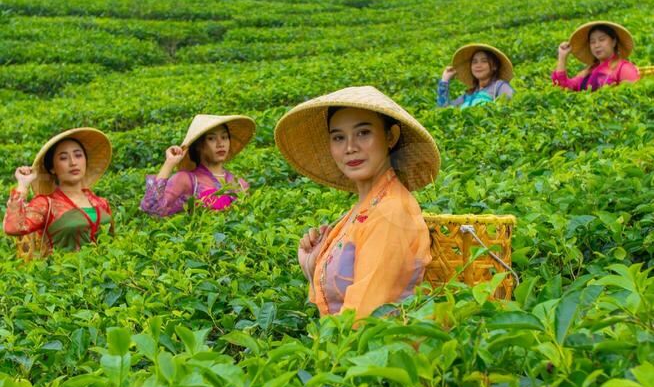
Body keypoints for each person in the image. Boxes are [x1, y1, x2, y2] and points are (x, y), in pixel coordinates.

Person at [275, 86, 439, 321]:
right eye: (339, 137)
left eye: (363, 133)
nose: (350, 147)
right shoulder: (364, 207)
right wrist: (312, 267)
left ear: (391, 136)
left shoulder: (390, 211)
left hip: (379, 353)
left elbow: (363, 317)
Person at [3, 127, 113, 256]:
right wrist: (22, 184)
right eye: (63, 158)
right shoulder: (46, 204)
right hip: (65, 273)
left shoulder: (101, 203)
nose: (73, 163)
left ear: (85, 161)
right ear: (52, 168)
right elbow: (13, 227)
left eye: (78, 155)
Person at [141, 113, 254, 218]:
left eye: (224, 137)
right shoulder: (186, 180)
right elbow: (152, 209)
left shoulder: (240, 184)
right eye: (211, 138)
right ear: (199, 145)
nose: (220, 144)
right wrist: (169, 163)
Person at [552, 21, 640, 92]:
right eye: (592, 42)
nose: (596, 45)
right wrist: (562, 57)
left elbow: (633, 95)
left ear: (614, 42)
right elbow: (564, 88)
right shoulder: (588, 71)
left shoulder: (624, 68)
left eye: (602, 40)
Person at [438, 44, 515, 108]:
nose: (478, 65)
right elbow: (444, 110)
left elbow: (510, 107)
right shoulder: (468, 95)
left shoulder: (500, 86)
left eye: (484, 61)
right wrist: (445, 79)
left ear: (494, 66)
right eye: (474, 62)